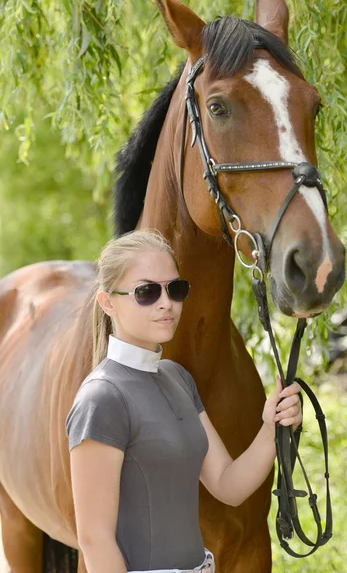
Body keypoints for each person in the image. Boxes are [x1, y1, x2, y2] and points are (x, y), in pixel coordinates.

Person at [66, 229, 302, 573]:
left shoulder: (177, 378)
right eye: (146, 292)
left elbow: (228, 485)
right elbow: (94, 539)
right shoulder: (101, 398)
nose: (166, 303)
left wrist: (272, 425)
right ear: (107, 302)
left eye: (175, 289)